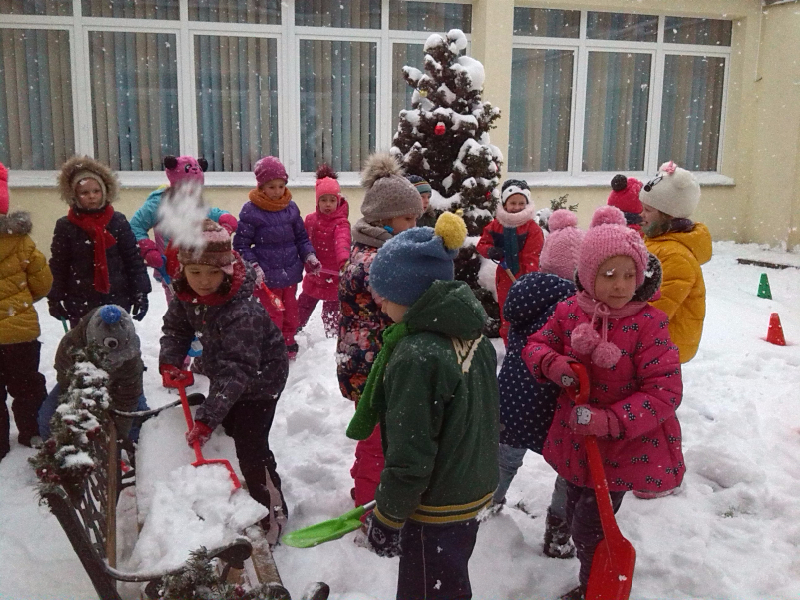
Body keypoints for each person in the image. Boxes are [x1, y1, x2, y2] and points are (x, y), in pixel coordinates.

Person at [523, 206, 684, 600]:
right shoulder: (570, 312)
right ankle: (577, 562)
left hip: (622, 447)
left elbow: (664, 390)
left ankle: (593, 589)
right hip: (576, 438)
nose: (620, 285)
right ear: (588, 274)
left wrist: (609, 420)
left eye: (630, 274)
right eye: (609, 274)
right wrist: (555, 365)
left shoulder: (648, 324)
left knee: (590, 525)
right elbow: (536, 345)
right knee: (572, 503)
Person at [347, 211, 499, 600]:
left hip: (436, 503)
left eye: (386, 293)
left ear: (412, 295)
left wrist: (389, 516)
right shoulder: (471, 333)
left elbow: (411, 452)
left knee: (428, 590)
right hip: (470, 486)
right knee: (448, 580)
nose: (379, 301)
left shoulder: (417, 355)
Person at [160, 219, 290, 546]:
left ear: (227, 271)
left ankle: (271, 513)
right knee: (231, 429)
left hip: (261, 379)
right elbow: (176, 328)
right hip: (227, 371)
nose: (204, 281)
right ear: (183, 269)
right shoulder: (187, 294)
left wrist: (207, 419)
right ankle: (246, 490)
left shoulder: (242, 311)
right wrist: (171, 360)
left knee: (250, 445)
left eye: (213, 272)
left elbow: (237, 370)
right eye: (195, 271)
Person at [492, 209, 584, 559]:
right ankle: (559, 531)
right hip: (555, 407)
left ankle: (485, 507)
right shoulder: (578, 309)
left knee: (504, 459)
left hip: (513, 399)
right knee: (570, 471)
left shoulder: (526, 295)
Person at [337, 152, 422, 511]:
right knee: (378, 443)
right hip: (371, 369)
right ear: (385, 220)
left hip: (366, 363)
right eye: (408, 219)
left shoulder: (370, 249)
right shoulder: (377, 263)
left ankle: (364, 488)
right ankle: (368, 507)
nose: (415, 225)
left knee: (375, 439)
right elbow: (403, 310)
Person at [48, 156, 151, 327]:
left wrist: (140, 292)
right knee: (85, 342)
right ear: (74, 195)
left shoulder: (117, 221)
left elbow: (133, 259)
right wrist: (54, 297)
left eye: (96, 191)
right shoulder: (66, 226)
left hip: (117, 298)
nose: (92, 196)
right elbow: (59, 264)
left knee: (117, 341)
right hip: (80, 302)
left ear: (104, 191)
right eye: (84, 193)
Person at [233, 156, 319, 360]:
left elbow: (301, 237)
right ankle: (271, 344)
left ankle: (288, 340)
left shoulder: (291, 208)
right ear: (261, 186)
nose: (277, 191)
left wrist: (309, 255)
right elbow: (241, 245)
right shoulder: (251, 211)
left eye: (281, 186)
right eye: (271, 187)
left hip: (290, 272)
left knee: (291, 311)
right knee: (272, 312)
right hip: (266, 276)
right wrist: (254, 266)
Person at [131, 155, 237, 304]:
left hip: (199, 266)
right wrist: (148, 250)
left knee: (203, 307)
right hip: (171, 268)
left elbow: (215, 214)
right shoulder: (159, 204)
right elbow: (135, 226)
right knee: (179, 309)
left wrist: (225, 220)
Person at [0, 162, 53, 460]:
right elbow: (43, 283)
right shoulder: (22, 241)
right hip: (20, 333)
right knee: (27, 385)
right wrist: (21, 302)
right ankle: (32, 430)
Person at [38, 305, 148, 443]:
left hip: (120, 385)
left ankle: (137, 448)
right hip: (80, 388)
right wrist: (84, 405)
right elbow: (66, 381)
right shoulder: (70, 345)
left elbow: (128, 398)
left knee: (136, 424)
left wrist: (117, 439)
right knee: (47, 419)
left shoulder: (132, 359)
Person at [640, 161, 712, 364]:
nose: (641, 214)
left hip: (665, 344)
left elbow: (658, 309)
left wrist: (624, 326)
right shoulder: (658, 242)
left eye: (648, 210)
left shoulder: (675, 256)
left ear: (668, 216)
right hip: (655, 343)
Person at [477, 179, 544, 343]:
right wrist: (491, 250)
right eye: (513, 203)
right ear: (505, 203)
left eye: (521, 203)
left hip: (526, 278)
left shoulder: (532, 229)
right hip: (504, 278)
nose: (517, 207)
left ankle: (526, 346)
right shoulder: (496, 226)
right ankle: (510, 346)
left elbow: (531, 257)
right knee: (507, 315)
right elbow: (482, 244)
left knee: (526, 315)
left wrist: (527, 282)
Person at [297, 164, 351, 337]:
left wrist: (344, 261)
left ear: (338, 201)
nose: (328, 204)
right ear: (317, 201)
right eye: (323, 200)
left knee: (332, 311)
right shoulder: (310, 220)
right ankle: (293, 330)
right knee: (303, 305)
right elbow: (302, 240)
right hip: (315, 272)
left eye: (332, 200)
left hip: (333, 276)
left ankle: (331, 339)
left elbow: (342, 241)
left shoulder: (341, 223)